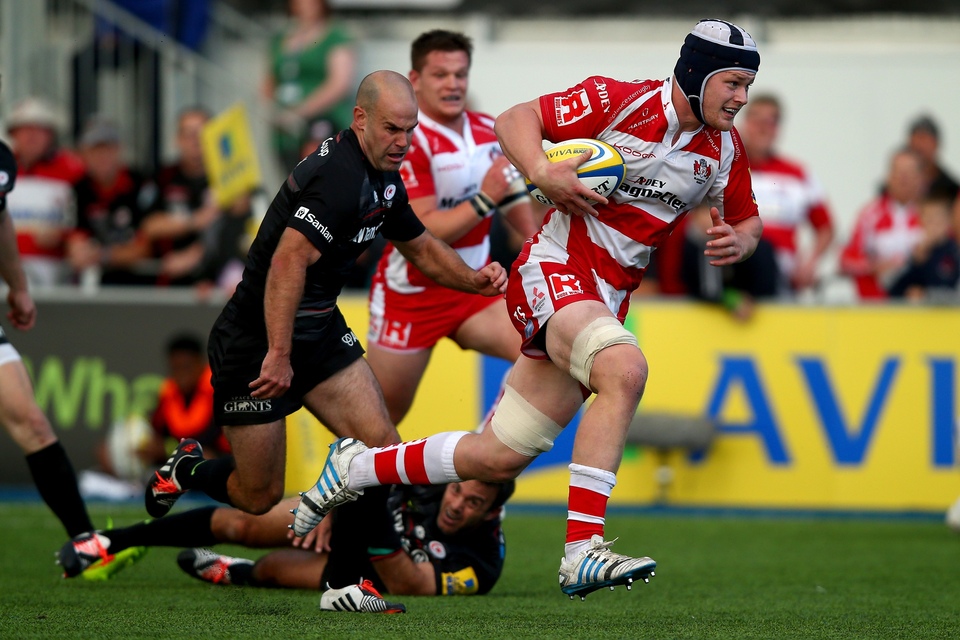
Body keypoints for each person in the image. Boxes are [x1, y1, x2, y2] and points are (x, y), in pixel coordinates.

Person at [293, 19, 764, 601]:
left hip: (603, 299)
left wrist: (741, 241)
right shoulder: (621, 100)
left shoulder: (723, 151)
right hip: (553, 269)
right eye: (733, 83)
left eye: (747, 86)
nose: (742, 98)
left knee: (494, 459)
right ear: (696, 75)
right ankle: (581, 552)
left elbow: (746, 218)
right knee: (625, 369)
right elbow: (515, 119)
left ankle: (356, 470)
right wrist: (540, 170)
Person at [142, 71, 507, 523]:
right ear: (360, 119)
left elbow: (423, 247)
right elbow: (286, 263)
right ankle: (188, 470)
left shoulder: (384, 177)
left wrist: (474, 280)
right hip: (257, 340)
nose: (403, 141)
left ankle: (346, 581)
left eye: (410, 130)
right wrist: (278, 353)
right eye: (392, 128)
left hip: (318, 328)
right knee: (258, 495)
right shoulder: (338, 178)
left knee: (382, 454)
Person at [367, 30, 539, 426]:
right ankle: (353, 486)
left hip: (473, 288)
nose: (453, 84)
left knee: (541, 351)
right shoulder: (407, 140)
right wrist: (485, 198)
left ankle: (482, 457)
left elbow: (509, 189)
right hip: (411, 297)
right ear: (415, 79)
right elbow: (425, 232)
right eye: (441, 75)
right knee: (379, 423)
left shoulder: (486, 128)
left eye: (460, 74)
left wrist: (532, 240)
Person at [60, 479, 513, 604]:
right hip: (343, 521)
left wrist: (362, 521)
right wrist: (333, 507)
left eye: (473, 502)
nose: (456, 504)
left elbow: (411, 584)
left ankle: (236, 571)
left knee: (273, 570)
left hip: (372, 574)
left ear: (491, 511)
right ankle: (113, 539)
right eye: (458, 491)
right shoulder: (433, 477)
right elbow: (365, 464)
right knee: (247, 523)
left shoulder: (483, 561)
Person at [140, 107, 253, 288]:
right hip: (167, 283)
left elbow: (244, 229)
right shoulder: (163, 177)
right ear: (177, 139)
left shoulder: (231, 180)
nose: (196, 141)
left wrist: (197, 254)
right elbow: (148, 226)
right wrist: (195, 220)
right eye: (189, 134)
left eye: (203, 133)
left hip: (217, 286)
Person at [739, 94, 834, 295]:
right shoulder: (727, 167)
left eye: (771, 122)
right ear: (744, 122)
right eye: (757, 120)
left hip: (783, 281)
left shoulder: (798, 173)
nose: (763, 128)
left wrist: (809, 264)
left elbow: (825, 227)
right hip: (737, 271)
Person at [263, 0, 357, 170]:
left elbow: (339, 84)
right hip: (285, 131)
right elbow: (269, 81)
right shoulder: (280, 38)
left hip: (322, 123)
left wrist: (300, 111)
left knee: (319, 181)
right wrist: (272, 111)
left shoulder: (335, 35)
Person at [4, 97, 85, 287]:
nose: (31, 136)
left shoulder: (72, 169)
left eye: (38, 130)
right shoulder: (3, 166)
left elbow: (86, 220)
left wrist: (62, 236)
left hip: (55, 272)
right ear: (13, 134)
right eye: (24, 129)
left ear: (50, 135)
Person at [66, 114, 154, 287]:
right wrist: (79, 251)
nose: (102, 157)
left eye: (108, 149)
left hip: (141, 287)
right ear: (83, 154)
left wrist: (103, 255)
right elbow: (75, 241)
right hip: (94, 287)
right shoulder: (79, 189)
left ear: (119, 150)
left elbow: (145, 247)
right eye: (95, 150)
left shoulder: (140, 185)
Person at [840, 149, 925, 300]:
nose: (903, 179)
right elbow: (846, 259)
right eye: (898, 172)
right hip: (878, 307)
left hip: (922, 307)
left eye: (909, 173)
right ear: (888, 177)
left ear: (920, 178)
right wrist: (873, 266)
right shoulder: (869, 215)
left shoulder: (931, 216)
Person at [680, 203, 779, 322]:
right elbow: (706, 290)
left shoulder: (759, 246)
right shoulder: (694, 245)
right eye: (704, 213)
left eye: (716, 214)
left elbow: (767, 289)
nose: (708, 220)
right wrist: (732, 299)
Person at [887, 195, 960, 301]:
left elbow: (955, 293)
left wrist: (927, 295)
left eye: (938, 218)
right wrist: (912, 261)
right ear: (921, 221)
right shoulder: (914, 249)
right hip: (915, 314)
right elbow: (890, 287)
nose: (934, 224)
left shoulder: (955, 252)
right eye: (929, 219)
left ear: (949, 221)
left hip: (948, 314)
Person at [905, 115, 960, 203]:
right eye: (916, 140)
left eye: (924, 140)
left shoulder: (951, 189)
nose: (919, 146)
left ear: (936, 144)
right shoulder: (895, 188)